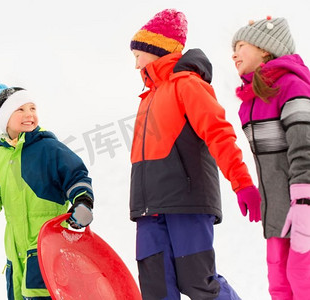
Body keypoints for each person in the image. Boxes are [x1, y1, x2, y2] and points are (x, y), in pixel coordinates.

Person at [129, 9, 262, 299]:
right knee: (156, 289)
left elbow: (218, 133)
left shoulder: (187, 84)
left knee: (197, 282)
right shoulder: (147, 99)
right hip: (149, 209)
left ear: (156, 49)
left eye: (138, 52)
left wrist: (243, 183)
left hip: (186, 203)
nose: (135, 61)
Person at [0, 84, 94, 300]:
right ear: (4, 119)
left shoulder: (49, 148)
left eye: (32, 108)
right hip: (15, 252)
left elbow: (75, 174)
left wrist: (82, 201)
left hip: (46, 244)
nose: (29, 115)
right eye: (20, 109)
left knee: (44, 295)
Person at [232, 16, 310, 299]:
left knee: (303, 279)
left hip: (302, 206)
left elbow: (305, 147)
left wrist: (304, 202)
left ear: (265, 49)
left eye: (241, 45)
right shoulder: (251, 102)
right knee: (279, 284)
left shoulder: (292, 86)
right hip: (277, 211)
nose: (234, 53)